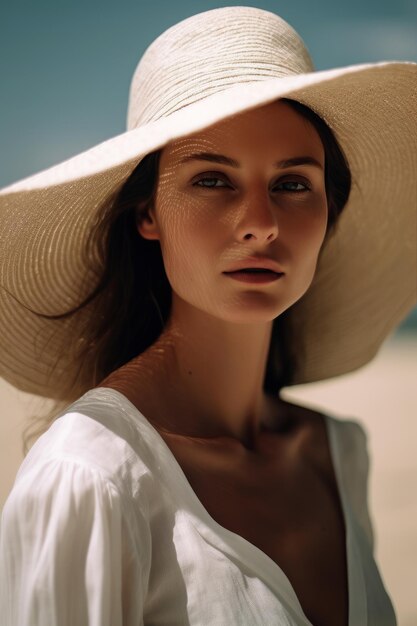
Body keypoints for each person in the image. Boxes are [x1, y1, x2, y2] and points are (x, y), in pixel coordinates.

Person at [0, 6, 415, 626]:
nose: (261, 222)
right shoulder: (91, 477)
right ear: (147, 216)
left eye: (294, 183)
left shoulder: (337, 453)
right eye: (213, 180)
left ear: (329, 213)